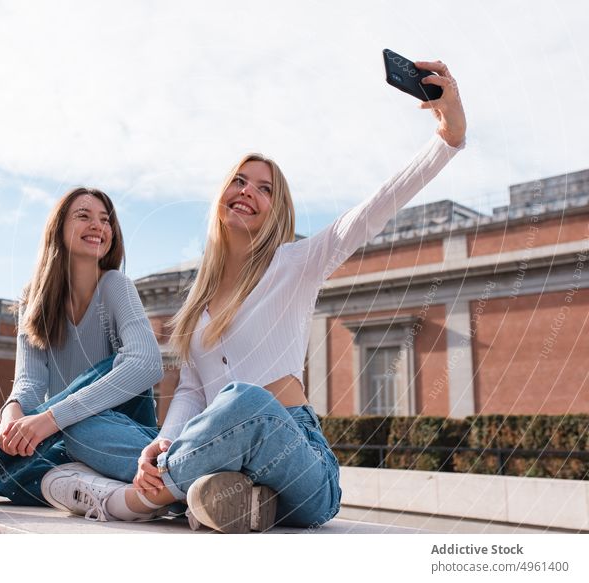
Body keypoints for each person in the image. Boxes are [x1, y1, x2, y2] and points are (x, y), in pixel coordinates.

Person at [36, 60, 468, 533]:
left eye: (264, 188)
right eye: (240, 181)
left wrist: (447, 138)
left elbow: (371, 211)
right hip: (223, 454)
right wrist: (160, 445)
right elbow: (191, 391)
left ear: (274, 208)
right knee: (85, 426)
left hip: (298, 460)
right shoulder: (200, 302)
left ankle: (133, 500)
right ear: (223, 194)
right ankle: (216, 492)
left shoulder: (296, 264)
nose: (248, 192)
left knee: (245, 400)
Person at [0, 187, 164, 518]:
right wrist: (12, 415)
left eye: (106, 219)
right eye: (84, 216)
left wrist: (49, 419)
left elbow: (146, 364)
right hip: (60, 438)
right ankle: (74, 484)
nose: (99, 225)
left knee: (115, 367)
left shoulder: (115, 285)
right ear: (57, 229)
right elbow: (28, 382)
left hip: (114, 429)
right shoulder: (34, 300)